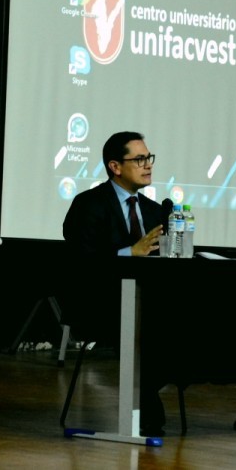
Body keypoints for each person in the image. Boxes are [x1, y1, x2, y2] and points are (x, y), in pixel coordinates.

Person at [62, 130, 169, 437]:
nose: (148, 165)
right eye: (139, 159)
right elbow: (81, 261)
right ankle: (145, 405)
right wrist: (129, 253)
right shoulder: (89, 204)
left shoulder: (155, 211)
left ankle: (146, 395)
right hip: (101, 302)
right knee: (149, 328)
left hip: (148, 303)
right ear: (115, 166)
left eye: (149, 158)